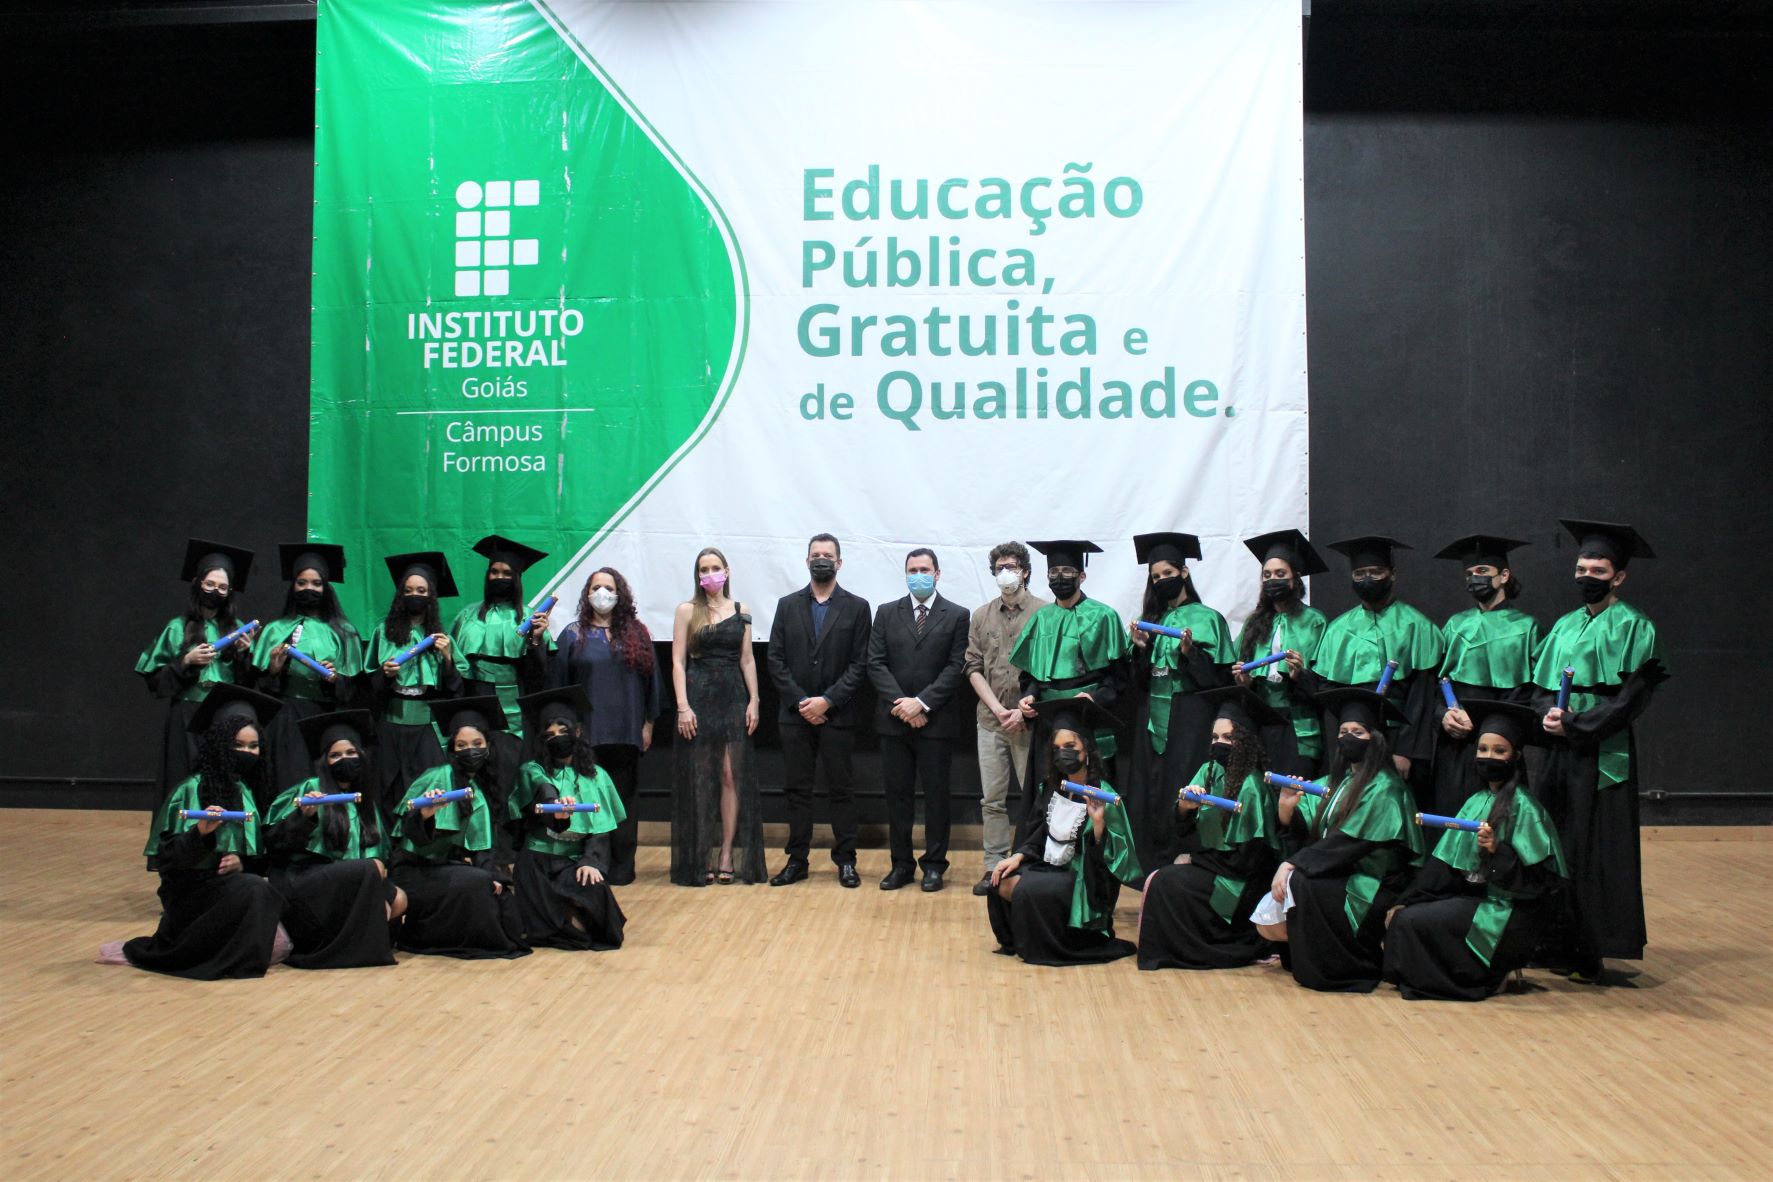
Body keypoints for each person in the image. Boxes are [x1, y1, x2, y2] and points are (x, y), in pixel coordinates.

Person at [1530, 519, 1666, 983]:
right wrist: (1549, 713)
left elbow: (1630, 699)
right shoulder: (1565, 626)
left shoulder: (1635, 627)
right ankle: (1552, 940)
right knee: (1556, 839)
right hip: (1559, 753)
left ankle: (1594, 947)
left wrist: (1576, 724)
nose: (1587, 576)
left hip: (1602, 752)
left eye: (1598, 569)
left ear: (1619, 577)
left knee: (1596, 847)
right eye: (1581, 567)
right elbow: (1541, 687)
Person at [1384, 700, 1567, 1001]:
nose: (1488, 757)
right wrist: (1407, 900)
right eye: (1482, 750)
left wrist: (1498, 852)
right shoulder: (1475, 801)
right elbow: (1443, 866)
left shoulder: (1525, 808)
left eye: (1499, 751)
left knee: (1413, 923)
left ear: (1515, 757)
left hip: (1507, 911)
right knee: (1408, 915)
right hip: (1476, 899)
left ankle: (1488, 975)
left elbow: (1541, 881)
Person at [1257, 687, 1424, 993]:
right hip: (1345, 871)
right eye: (1343, 731)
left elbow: (1349, 844)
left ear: (1374, 738)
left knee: (1304, 883)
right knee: (1302, 883)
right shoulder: (1338, 781)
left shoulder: (1386, 788)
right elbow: (1306, 825)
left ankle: (1346, 970)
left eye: (1357, 731)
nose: (1347, 737)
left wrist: (1292, 863)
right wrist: (1286, 809)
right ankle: (1314, 966)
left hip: (1375, 881)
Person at [120, 684, 284, 979]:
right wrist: (200, 834)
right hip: (191, 893)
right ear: (220, 744)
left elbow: (258, 853)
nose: (247, 752)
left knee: (265, 889)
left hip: (229, 888)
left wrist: (242, 862)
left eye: (253, 746)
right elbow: (167, 859)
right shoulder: (191, 791)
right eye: (238, 745)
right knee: (256, 890)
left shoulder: (247, 791)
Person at [986, 698, 1143, 965]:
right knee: (1000, 879)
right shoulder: (1051, 789)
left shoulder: (1104, 796)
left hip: (1084, 879)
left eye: (1071, 747)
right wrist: (1019, 857)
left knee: (1030, 889)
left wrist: (1098, 825)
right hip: (1048, 866)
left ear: (1087, 750)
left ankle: (1055, 943)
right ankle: (1024, 940)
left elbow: (1117, 863)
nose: (1063, 754)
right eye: (1057, 748)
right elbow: (1037, 836)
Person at [1136, 686, 1282, 971]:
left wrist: (1194, 859)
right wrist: (1183, 809)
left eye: (1228, 737)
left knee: (1167, 883)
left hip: (1238, 881)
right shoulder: (1209, 770)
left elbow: (1247, 862)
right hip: (1216, 867)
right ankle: (1170, 952)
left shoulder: (1251, 787)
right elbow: (1181, 829)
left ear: (1245, 741)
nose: (1220, 744)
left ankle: (1191, 951)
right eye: (1215, 737)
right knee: (1161, 879)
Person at [765, 533, 872, 888]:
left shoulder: (857, 607)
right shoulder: (787, 604)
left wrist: (828, 700)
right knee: (797, 790)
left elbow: (860, 663)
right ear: (807, 560)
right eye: (815, 555)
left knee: (841, 790)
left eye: (828, 555)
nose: (821, 559)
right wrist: (801, 702)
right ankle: (797, 860)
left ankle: (846, 861)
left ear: (839, 563)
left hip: (838, 715)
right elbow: (776, 659)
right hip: (794, 716)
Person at [1306, 535, 1444, 808]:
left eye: (1376, 572)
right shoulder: (1338, 629)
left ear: (1393, 574)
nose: (1367, 579)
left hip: (1399, 737)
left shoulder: (1417, 626)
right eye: (1359, 573)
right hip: (1355, 737)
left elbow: (1422, 698)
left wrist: (1406, 752)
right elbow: (1329, 691)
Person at [387, 696, 528, 959]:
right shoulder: (437, 777)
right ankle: (421, 938)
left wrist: (492, 875)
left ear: (488, 746)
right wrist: (426, 815)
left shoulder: (485, 786)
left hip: (445, 867)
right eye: (461, 745)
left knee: (502, 897)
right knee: (476, 882)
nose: (470, 751)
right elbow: (410, 837)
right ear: (452, 748)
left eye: (477, 744)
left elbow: (482, 847)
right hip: (415, 869)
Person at [547, 566, 662, 885]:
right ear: (586, 594)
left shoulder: (638, 633)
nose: (602, 593)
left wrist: (648, 723)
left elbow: (652, 683)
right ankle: (593, 863)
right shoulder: (572, 634)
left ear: (619, 593)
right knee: (590, 799)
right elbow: (560, 686)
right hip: (587, 734)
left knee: (624, 801)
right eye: (596, 587)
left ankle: (624, 867)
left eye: (608, 587)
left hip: (626, 733)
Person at [262, 708, 402, 970]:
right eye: (335, 755)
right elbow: (275, 843)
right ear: (324, 760)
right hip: (306, 877)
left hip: (352, 879)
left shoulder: (365, 799)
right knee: (371, 871)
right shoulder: (310, 788)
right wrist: (304, 817)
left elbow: (380, 850)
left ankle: (361, 946)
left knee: (399, 898)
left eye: (351, 753)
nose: (344, 760)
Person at [1126, 531, 1234, 867]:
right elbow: (1139, 682)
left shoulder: (1208, 618)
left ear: (1184, 573)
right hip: (1152, 715)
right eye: (1156, 577)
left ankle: (1183, 859)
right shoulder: (1152, 619)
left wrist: (1189, 654)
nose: (1162, 581)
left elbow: (1218, 680)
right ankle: (1148, 864)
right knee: (1150, 787)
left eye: (1168, 574)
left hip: (1190, 714)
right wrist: (1141, 649)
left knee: (1181, 781)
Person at [867, 547, 971, 892]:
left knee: (937, 797)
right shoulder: (885, 613)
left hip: (936, 722)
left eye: (925, 569)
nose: (918, 575)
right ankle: (900, 865)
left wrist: (922, 703)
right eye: (912, 569)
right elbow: (876, 663)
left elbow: (956, 666)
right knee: (897, 797)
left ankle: (934, 865)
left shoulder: (957, 615)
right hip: (894, 721)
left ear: (937, 574)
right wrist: (903, 705)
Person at [1009, 538, 1130, 827]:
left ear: (1081, 575)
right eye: (1053, 572)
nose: (1059, 578)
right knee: (1048, 788)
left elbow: (1119, 677)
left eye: (1066, 571)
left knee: (1093, 790)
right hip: (1049, 718)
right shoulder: (1042, 618)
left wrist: (1097, 699)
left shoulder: (1104, 616)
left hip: (1089, 716)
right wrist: (1029, 696)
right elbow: (1032, 676)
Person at [135, 539, 258, 808]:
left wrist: (244, 655)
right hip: (186, 716)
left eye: (223, 587)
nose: (216, 591)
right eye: (210, 584)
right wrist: (186, 661)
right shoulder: (177, 627)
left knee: (220, 780)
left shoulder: (237, 628)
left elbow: (250, 683)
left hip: (222, 718)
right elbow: (154, 679)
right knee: (181, 779)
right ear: (197, 583)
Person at [506, 687, 628, 950]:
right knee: (548, 928)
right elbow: (540, 788)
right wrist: (554, 807)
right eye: (549, 734)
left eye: (563, 731)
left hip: (572, 861)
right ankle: (562, 914)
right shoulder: (532, 770)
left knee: (597, 903)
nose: (557, 738)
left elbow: (601, 829)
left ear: (578, 732)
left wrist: (591, 861)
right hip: (537, 861)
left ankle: (569, 911)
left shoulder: (597, 776)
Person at [671, 547, 765, 885]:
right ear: (697, 575)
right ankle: (699, 857)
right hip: (697, 698)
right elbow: (678, 661)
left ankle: (726, 853)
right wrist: (682, 706)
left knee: (729, 775)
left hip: (732, 699)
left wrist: (754, 700)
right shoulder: (687, 610)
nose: (709, 573)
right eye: (703, 569)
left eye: (715, 567)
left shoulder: (742, 611)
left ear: (726, 570)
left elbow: (748, 660)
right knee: (700, 779)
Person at [1429, 534, 1542, 815]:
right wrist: (1443, 714)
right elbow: (1435, 683)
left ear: (1504, 575)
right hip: (1455, 739)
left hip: (1499, 739)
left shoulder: (1527, 627)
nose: (1474, 578)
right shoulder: (1456, 624)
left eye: (1482, 572)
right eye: (1469, 573)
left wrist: (1489, 724)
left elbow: (1529, 691)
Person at [963, 542, 1049, 895]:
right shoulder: (981, 615)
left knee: (1035, 797)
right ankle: (992, 865)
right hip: (990, 720)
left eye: (1011, 566)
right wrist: (998, 709)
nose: (1005, 573)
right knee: (992, 800)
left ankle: (1029, 861)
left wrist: (1021, 709)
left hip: (1030, 721)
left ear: (1026, 571)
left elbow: (1048, 669)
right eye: (999, 567)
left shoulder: (1046, 612)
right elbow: (973, 666)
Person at [451, 534, 553, 831]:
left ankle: (506, 852)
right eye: (494, 572)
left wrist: (536, 641)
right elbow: (457, 670)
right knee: (475, 775)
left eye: (507, 573)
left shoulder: (531, 616)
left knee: (507, 777)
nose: (499, 577)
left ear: (517, 578)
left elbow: (538, 678)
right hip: (476, 699)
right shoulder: (467, 616)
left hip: (512, 704)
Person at [252, 542, 366, 798]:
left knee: (322, 783)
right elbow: (259, 686)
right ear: (292, 587)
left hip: (324, 717)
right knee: (287, 779)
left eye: (316, 584)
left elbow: (354, 689)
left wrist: (335, 679)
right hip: (286, 716)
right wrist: (273, 670)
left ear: (326, 588)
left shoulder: (344, 632)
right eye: (302, 583)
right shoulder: (275, 629)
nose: (309, 589)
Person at [365, 551, 462, 814]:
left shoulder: (442, 638)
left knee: (428, 786)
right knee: (386, 787)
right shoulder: (383, 632)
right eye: (408, 590)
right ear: (400, 595)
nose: (415, 595)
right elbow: (368, 683)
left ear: (431, 596)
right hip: (391, 721)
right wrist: (384, 676)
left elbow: (456, 687)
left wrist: (447, 659)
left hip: (426, 724)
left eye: (422, 590)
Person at [1232, 529, 1329, 777]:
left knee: (1293, 794)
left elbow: (1326, 681)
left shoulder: (1314, 621)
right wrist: (1245, 681)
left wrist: (1300, 675)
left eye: (1280, 574)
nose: (1272, 579)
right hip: (1261, 721)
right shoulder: (1254, 622)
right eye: (1267, 575)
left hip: (1298, 725)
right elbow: (1241, 673)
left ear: (1295, 578)